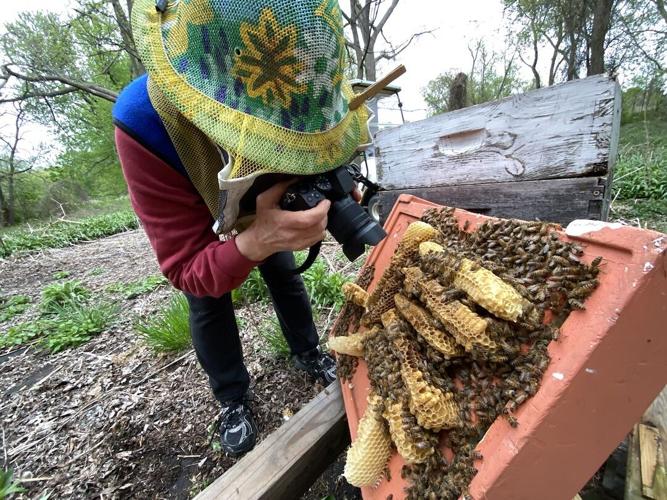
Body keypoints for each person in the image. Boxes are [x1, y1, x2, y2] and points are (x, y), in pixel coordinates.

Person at [112, 0, 371, 457]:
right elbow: (187, 267)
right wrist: (255, 239)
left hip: (262, 203)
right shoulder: (143, 123)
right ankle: (231, 397)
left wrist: (331, 182)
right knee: (209, 301)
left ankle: (308, 351)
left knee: (283, 271)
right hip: (197, 200)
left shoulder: (303, 84)